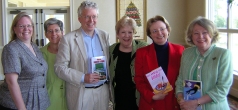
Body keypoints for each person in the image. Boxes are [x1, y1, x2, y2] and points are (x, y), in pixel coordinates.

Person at [54, 1, 113, 110]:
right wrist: (83, 77)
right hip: (81, 93)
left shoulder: (104, 36)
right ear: (79, 18)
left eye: (94, 16)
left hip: (102, 92)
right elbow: (59, 68)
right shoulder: (68, 39)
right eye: (87, 17)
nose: (91, 21)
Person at [175, 16, 233, 110]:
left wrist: (196, 103)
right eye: (196, 33)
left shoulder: (223, 54)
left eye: (205, 32)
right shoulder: (186, 53)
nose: (200, 37)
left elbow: (222, 89)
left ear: (212, 34)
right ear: (191, 36)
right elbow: (180, 79)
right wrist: (181, 98)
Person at [0, 12, 50, 110]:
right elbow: (11, 82)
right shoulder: (11, 49)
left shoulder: (35, 46)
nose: (26, 29)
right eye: (21, 26)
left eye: (28, 25)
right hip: (18, 105)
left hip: (38, 103)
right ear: (14, 29)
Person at [134, 15, 185, 110]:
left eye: (162, 29)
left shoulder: (181, 50)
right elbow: (138, 80)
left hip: (173, 102)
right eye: (154, 31)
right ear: (150, 35)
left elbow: (184, 78)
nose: (159, 33)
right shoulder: (142, 53)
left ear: (168, 30)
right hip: (151, 103)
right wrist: (151, 96)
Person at [109, 16, 147, 110]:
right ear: (117, 34)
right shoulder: (111, 50)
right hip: (119, 99)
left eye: (130, 32)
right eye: (123, 32)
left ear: (134, 33)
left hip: (138, 98)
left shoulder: (143, 48)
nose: (127, 36)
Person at [40, 18, 68, 110]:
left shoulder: (70, 51)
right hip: (49, 98)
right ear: (45, 34)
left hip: (69, 98)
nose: (54, 34)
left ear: (62, 32)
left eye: (57, 30)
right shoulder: (40, 54)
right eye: (50, 31)